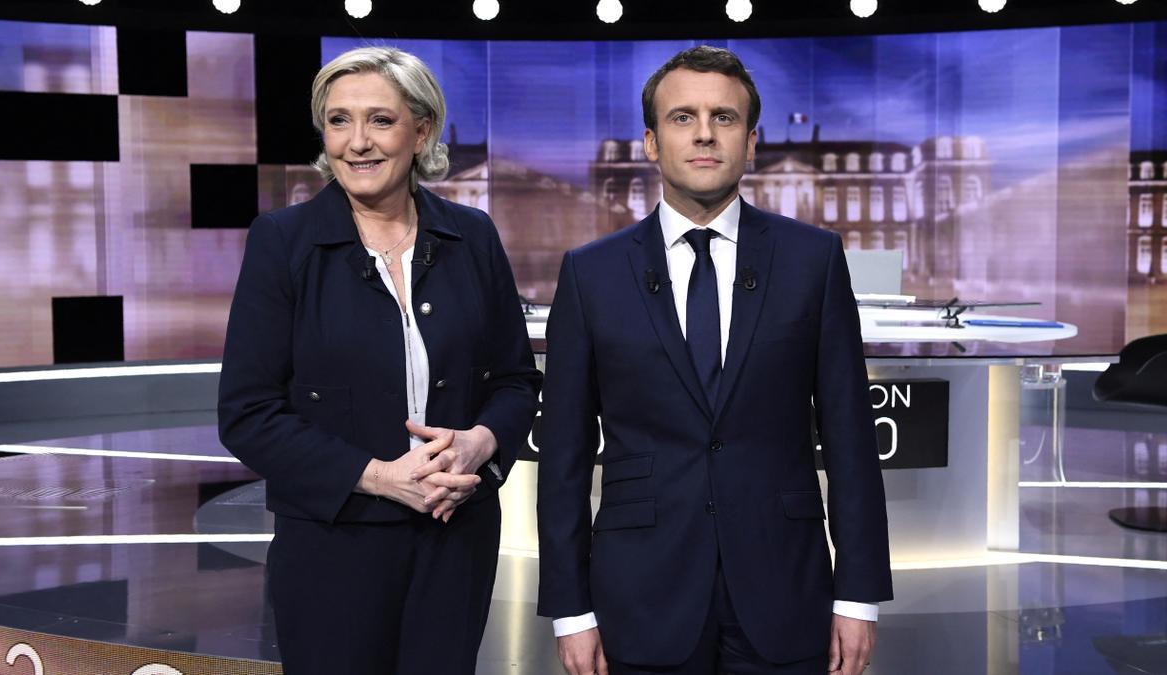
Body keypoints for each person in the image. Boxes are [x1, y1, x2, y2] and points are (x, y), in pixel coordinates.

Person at [537, 46, 892, 675]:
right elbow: (563, 458)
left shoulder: (812, 261)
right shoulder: (590, 274)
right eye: (683, 117)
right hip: (640, 595)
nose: (704, 133)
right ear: (650, 141)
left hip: (785, 588)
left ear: (751, 142)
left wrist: (859, 593)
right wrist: (570, 609)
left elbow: (850, 439)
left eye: (724, 118)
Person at [218, 46, 541, 674]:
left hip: (456, 538)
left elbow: (514, 380)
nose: (357, 142)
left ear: (421, 131)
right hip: (332, 543)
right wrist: (380, 476)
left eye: (380, 121)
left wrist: (479, 443)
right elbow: (247, 413)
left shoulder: (472, 236)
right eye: (339, 121)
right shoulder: (283, 242)